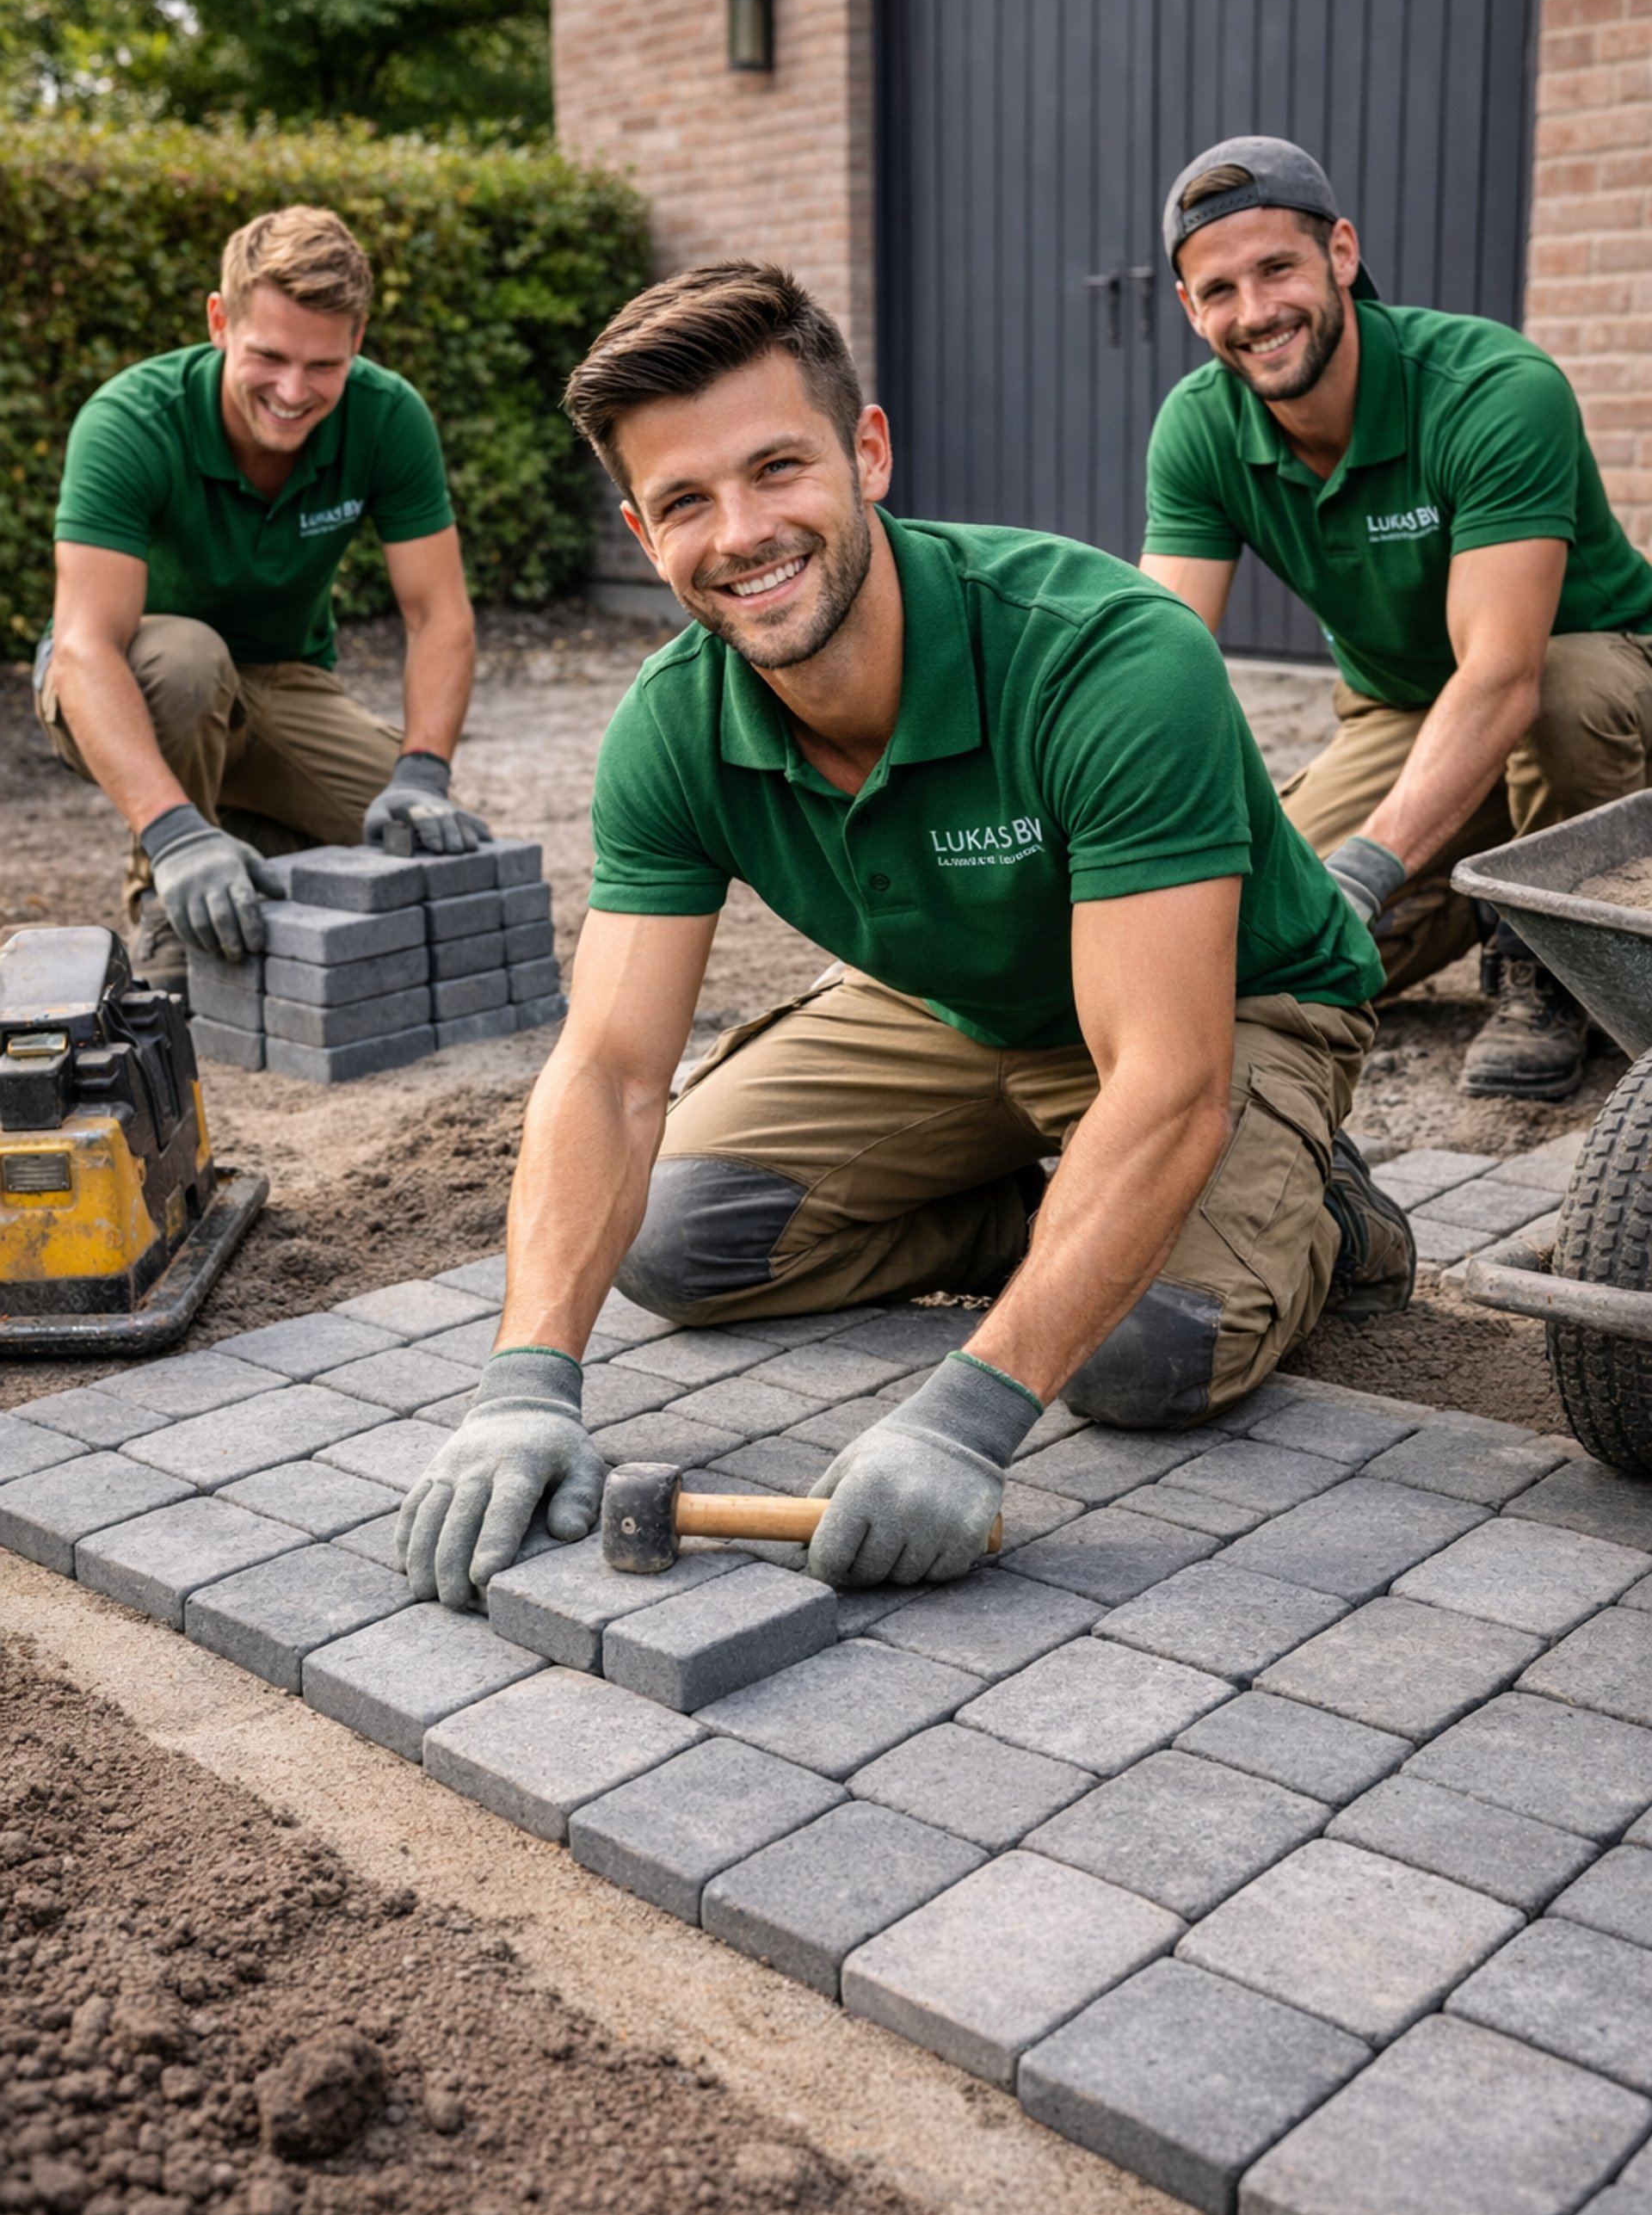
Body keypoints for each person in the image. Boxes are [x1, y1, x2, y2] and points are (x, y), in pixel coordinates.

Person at [397, 261, 1409, 1609]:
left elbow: (1167, 1079)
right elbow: (613, 1072)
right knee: (680, 1240)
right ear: (646, 535)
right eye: (687, 502)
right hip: (955, 1006)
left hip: (1224, 1011)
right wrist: (524, 1385)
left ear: (867, 452)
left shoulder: (1104, 655)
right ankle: (1074, 1209)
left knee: (1139, 1358)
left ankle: (1314, 1207)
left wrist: (968, 1414)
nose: (743, 531)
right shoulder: (670, 723)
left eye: (777, 469)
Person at [1142, 135, 1652, 1103]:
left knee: (1561, 698)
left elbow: (1504, 673)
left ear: (1340, 253)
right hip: (1406, 712)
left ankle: (1549, 973)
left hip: (1598, 685)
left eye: (1277, 269)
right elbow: (1155, 660)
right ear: (1187, 307)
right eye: (1218, 291)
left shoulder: (1492, 389)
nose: (1254, 314)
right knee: (1264, 941)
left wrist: (1369, 870)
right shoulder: (1201, 426)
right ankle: (1483, 889)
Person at [37, 205, 490, 996]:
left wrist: (421, 774)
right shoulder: (130, 422)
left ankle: (247, 829)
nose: (293, 391)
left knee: (415, 841)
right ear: (220, 322)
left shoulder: (387, 417)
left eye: (324, 365)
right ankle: (173, 892)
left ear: (356, 339)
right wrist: (175, 836)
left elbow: (438, 614)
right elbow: (84, 647)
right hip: (137, 677)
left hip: (282, 679)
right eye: (269, 357)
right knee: (186, 664)